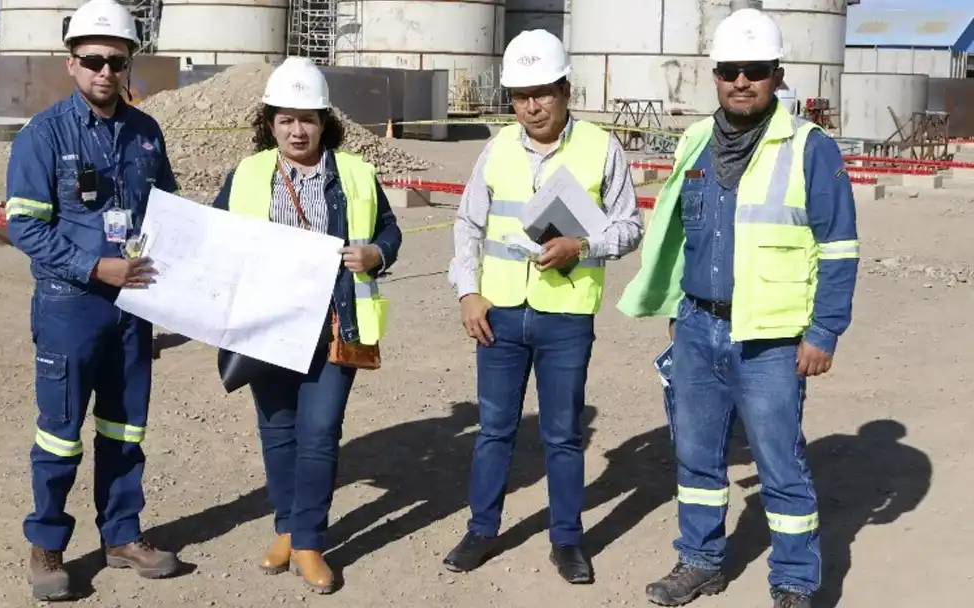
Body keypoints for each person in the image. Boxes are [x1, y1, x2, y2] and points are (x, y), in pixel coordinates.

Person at [617, 9, 859, 608]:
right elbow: (680, 231)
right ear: (716, 75)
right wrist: (677, 304)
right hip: (699, 326)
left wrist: (824, 330)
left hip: (772, 339)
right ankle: (700, 561)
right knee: (697, 458)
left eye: (755, 70)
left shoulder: (810, 148)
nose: (741, 81)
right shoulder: (697, 139)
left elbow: (840, 248)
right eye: (730, 70)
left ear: (777, 75)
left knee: (780, 464)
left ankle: (796, 580)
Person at [444, 29, 644, 584]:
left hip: (565, 316)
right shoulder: (497, 148)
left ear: (565, 90)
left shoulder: (602, 148)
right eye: (520, 94)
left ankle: (567, 540)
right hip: (499, 313)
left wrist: (582, 246)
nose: (532, 105)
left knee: (562, 434)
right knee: (494, 430)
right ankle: (481, 530)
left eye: (543, 92)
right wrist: (467, 291)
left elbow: (630, 227)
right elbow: (468, 224)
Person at [4, 0, 181, 600]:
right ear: (71, 63)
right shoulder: (44, 135)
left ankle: (122, 534)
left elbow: (169, 215)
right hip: (70, 305)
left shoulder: (146, 133)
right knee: (60, 433)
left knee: (125, 429)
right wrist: (92, 266)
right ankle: (47, 544)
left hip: (132, 308)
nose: (105, 71)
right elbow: (24, 226)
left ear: (129, 63)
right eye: (92, 60)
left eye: (116, 60)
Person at [210, 56, 403, 595]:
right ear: (270, 123)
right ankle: (287, 528)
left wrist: (375, 254)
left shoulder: (358, 175)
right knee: (278, 434)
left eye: (308, 119)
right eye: (286, 119)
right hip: (266, 325)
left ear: (325, 122)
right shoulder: (247, 175)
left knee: (318, 435)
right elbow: (216, 239)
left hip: (334, 325)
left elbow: (390, 230)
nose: (298, 130)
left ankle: (310, 540)